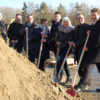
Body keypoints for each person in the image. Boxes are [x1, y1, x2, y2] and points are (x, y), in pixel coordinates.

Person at [74, 8, 100, 92]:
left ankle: (80, 86)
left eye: (95, 15)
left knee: (87, 67)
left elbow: (98, 39)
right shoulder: (94, 24)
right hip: (94, 51)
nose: (93, 17)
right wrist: (90, 31)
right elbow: (94, 34)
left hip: (97, 52)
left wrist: (88, 47)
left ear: (99, 15)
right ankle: (83, 85)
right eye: (92, 15)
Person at [70, 13, 91, 91]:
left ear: (84, 18)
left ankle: (87, 84)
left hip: (84, 50)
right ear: (76, 20)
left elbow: (86, 38)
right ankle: (82, 82)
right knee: (79, 68)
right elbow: (74, 37)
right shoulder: (76, 27)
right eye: (78, 18)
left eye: (81, 18)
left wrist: (77, 43)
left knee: (85, 68)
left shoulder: (88, 27)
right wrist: (72, 42)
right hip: (77, 50)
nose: (80, 19)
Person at [55, 17, 74, 83]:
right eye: (64, 22)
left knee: (60, 62)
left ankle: (57, 75)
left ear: (69, 22)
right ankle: (69, 77)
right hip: (60, 48)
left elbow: (69, 40)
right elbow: (57, 37)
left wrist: (61, 44)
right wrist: (57, 42)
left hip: (67, 48)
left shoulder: (71, 30)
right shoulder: (60, 29)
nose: (65, 23)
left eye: (67, 22)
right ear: (62, 22)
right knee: (64, 62)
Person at [48, 11, 65, 80]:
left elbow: (61, 34)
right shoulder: (54, 24)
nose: (56, 17)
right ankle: (59, 74)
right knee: (57, 60)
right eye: (55, 16)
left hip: (60, 45)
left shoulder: (62, 24)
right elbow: (52, 34)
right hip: (54, 45)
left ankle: (62, 75)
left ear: (60, 17)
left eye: (58, 16)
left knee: (60, 60)